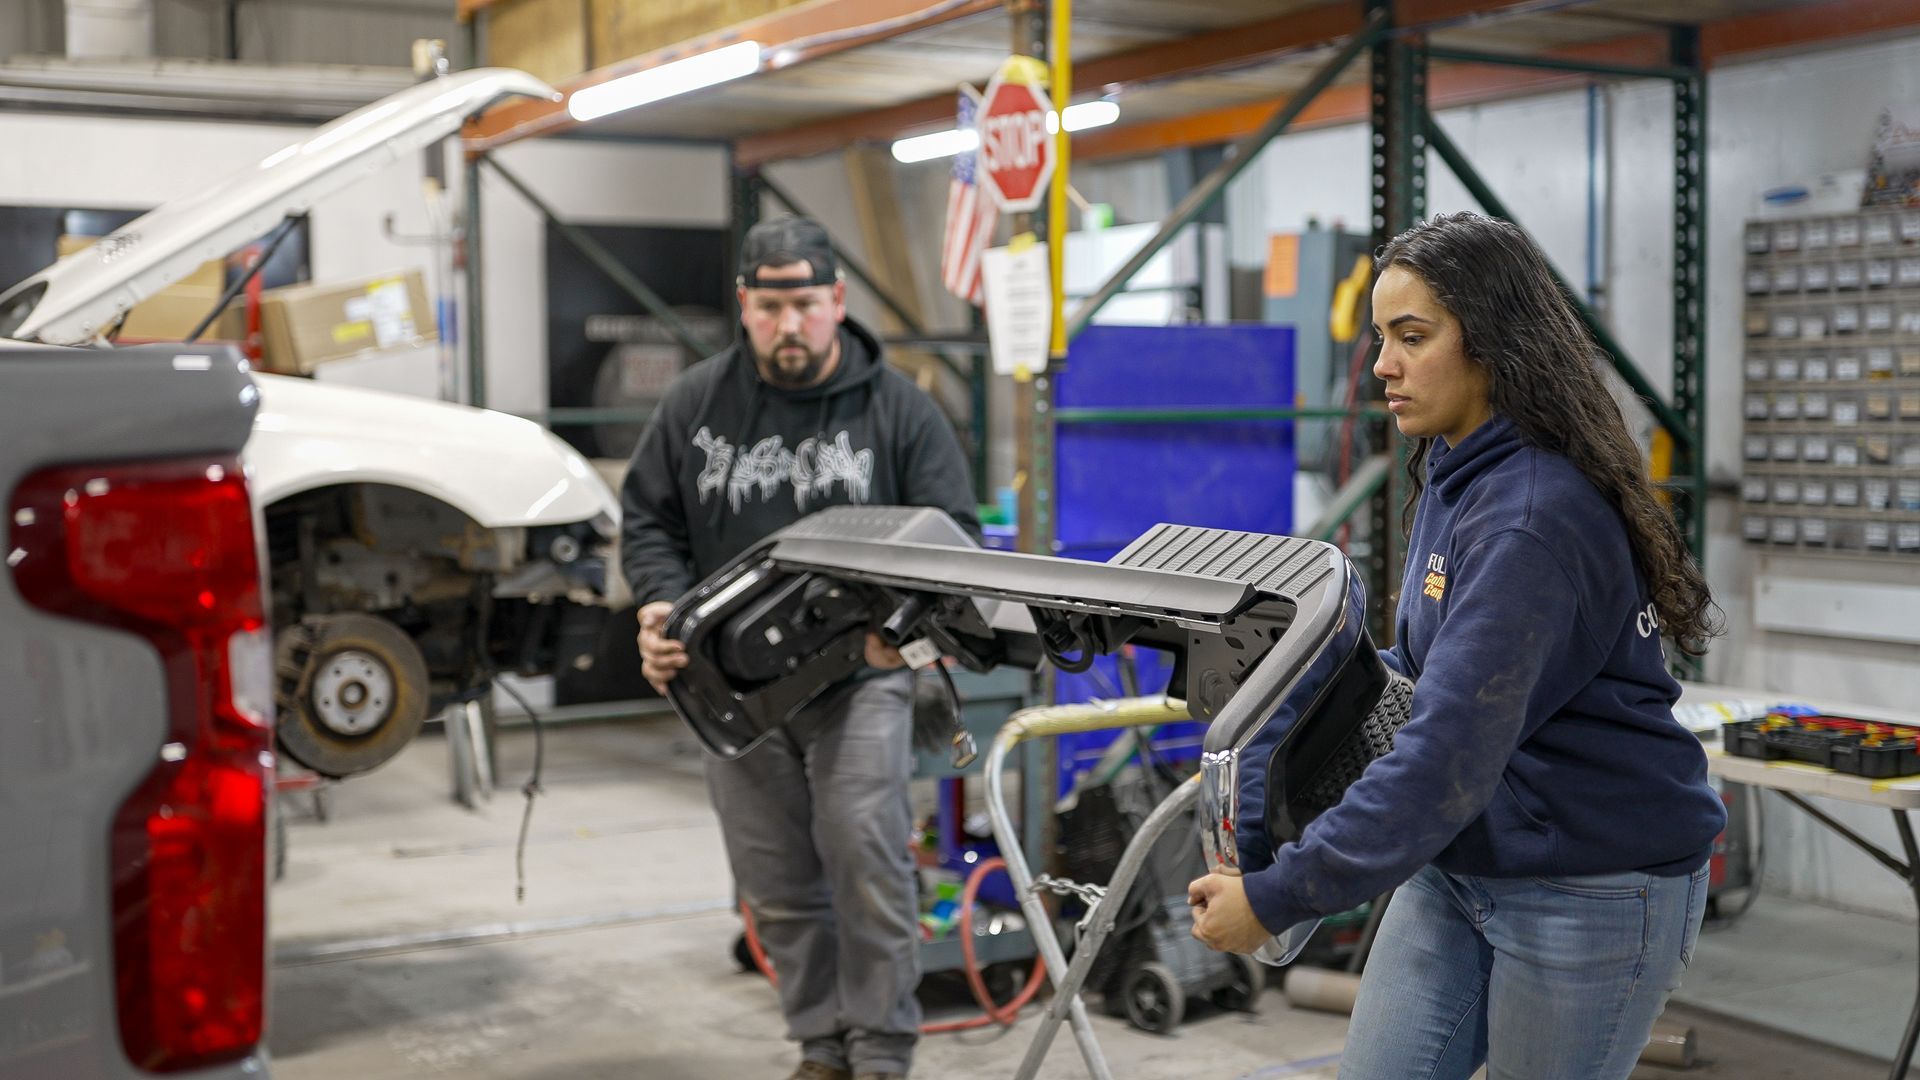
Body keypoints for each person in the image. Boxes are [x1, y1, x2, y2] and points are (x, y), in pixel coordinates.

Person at [1187, 211, 1727, 1080]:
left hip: (1591, 882)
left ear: (1493, 345)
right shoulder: (1455, 470)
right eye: (1380, 338)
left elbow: (1445, 758)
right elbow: (1414, 681)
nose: (1384, 366)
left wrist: (1280, 895)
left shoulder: (1529, 520)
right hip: (1462, 862)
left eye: (1413, 336)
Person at [619, 215, 978, 1080]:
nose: (789, 325)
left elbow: (954, 538)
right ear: (744, 305)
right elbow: (648, 524)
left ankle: (883, 1048)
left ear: (837, 302)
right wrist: (660, 607)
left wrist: (904, 636)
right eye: (770, 306)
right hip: (729, 689)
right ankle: (821, 1044)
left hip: (859, 677)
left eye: (806, 304)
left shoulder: (898, 409)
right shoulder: (696, 403)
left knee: (863, 853)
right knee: (775, 882)